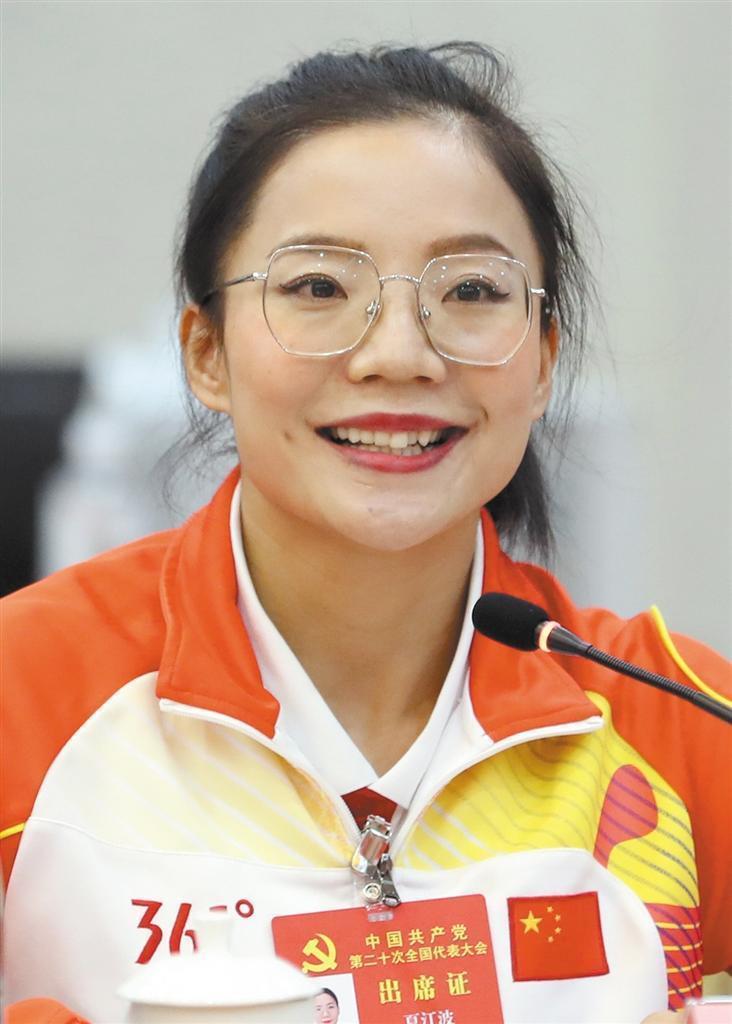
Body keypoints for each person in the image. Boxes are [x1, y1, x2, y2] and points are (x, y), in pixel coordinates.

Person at [1, 42, 730, 1024]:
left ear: (544, 360)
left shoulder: (681, 727)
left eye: (471, 291)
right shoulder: (24, 692)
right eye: (317, 288)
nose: (398, 354)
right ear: (207, 353)